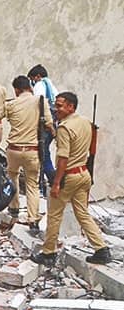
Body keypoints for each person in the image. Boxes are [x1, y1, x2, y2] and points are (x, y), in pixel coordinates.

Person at [33, 92, 111, 266]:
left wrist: (56, 183)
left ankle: (48, 253)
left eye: (60, 105)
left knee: (54, 215)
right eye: (56, 105)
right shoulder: (85, 122)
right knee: (82, 213)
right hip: (83, 174)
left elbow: (63, 159)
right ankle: (101, 248)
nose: (56, 109)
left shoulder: (64, 128)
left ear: (71, 107)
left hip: (69, 176)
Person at [4, 75, 53, 232]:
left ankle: (14, 210)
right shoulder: (40, 101)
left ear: (17, 90)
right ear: (29, 87)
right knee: (33, 185)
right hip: (32, 150)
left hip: (14, 149)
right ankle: (33, 220)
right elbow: (49, 123)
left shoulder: (11, 104)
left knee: (12, 179)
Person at [29, 65, 59, 193]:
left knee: (42, 154)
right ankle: (50, 179)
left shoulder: (40, 86)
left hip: (45, 126)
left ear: (38, 77)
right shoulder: (52, 87)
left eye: (32, 79)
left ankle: (50, 180)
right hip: (53, 125)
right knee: (45, 153)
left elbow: (39, 104)